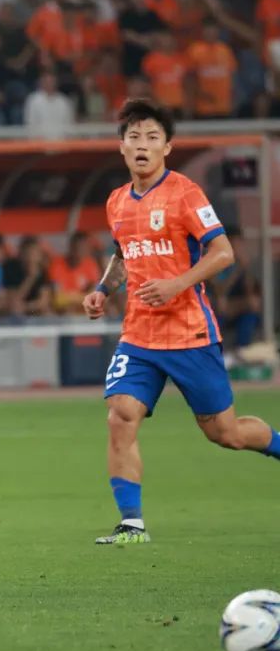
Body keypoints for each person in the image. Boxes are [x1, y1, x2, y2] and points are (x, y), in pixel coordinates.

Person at [83, 99, 280, 545]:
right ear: (122, 146)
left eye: (152, 137)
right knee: (120, 415)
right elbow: (123, 255)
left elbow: (223, 253)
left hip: (189, 333)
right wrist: (102, 290)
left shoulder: (185, 193)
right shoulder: (117, 201)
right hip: (139, 336)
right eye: (134, 137)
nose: (142, 145)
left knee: (225, 434)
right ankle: (132, 524)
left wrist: (177, 284)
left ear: (167, 147)